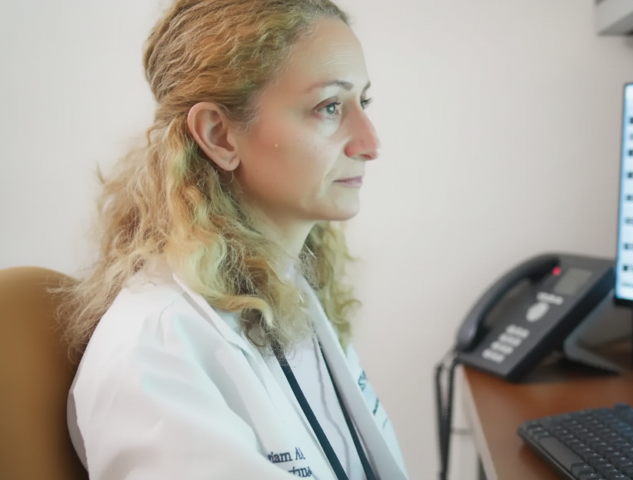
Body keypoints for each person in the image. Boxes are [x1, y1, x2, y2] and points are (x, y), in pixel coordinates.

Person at [58, 1, 407, 478]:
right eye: (329, 107)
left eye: (362, 103)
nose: (370, 143)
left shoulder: (285, 293)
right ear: (219, 135)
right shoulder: (154, 356)